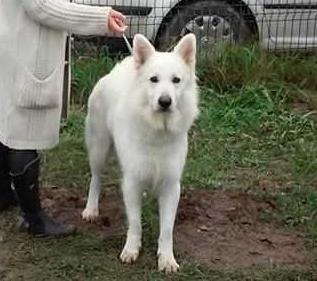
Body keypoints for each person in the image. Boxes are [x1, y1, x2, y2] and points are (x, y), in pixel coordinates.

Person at [0, 0, 127, 237]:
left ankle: (4, 196)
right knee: (23, 135)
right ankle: (34, 220)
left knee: (8, 124)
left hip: (15, 41)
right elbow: (41, 6)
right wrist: (100, 18)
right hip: (28, 52)